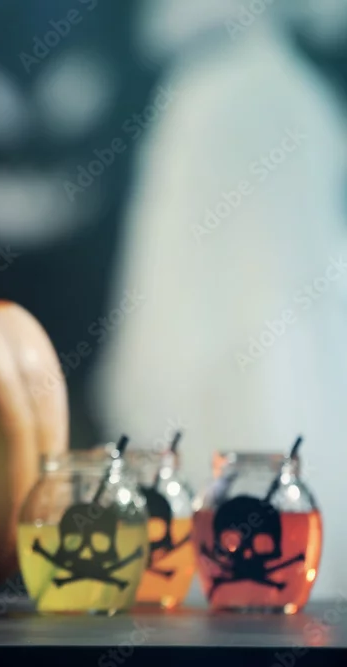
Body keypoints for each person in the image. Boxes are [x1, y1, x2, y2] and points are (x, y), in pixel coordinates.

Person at [93, 0, 347, 601]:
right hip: (224, 102)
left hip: (258, 105)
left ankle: (269, 561)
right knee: (205, 331)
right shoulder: (206, 90)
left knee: (276, 335)